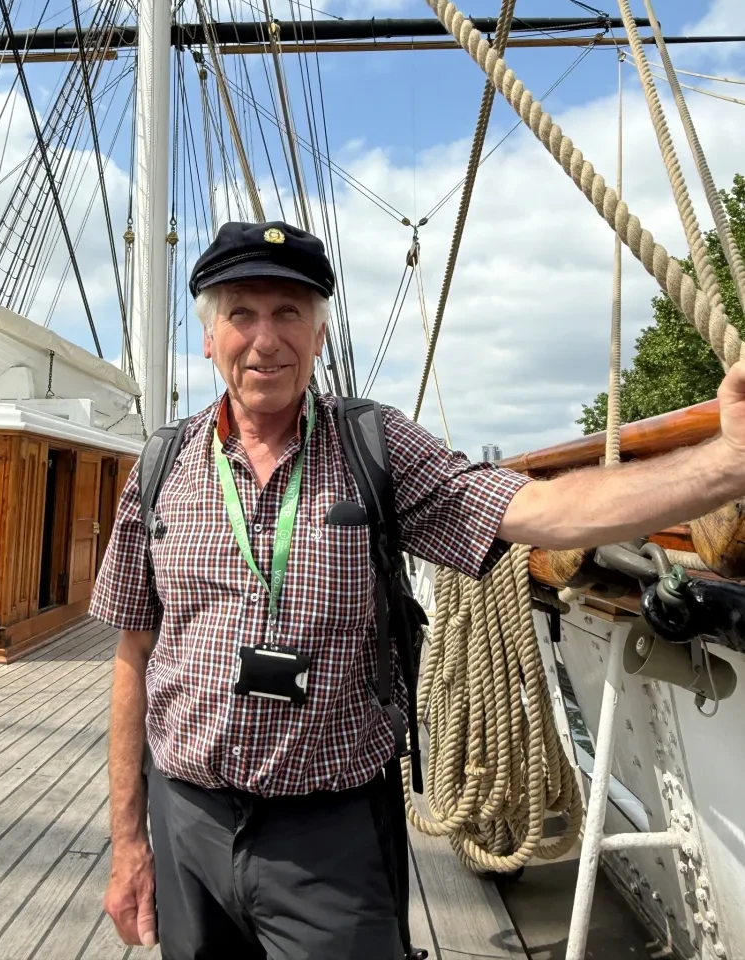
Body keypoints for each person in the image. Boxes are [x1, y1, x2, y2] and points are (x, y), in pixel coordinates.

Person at [91, 220, 745, 960]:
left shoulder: (374, 447)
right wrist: (128, 843)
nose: (264, 338)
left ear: (319, 335)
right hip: (188, 825)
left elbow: (534, 511)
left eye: (289, 313)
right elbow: (132, 655)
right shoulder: (161, 468)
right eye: (241, 312)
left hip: (329, 837)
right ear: (209, 338)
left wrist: (725, 464)